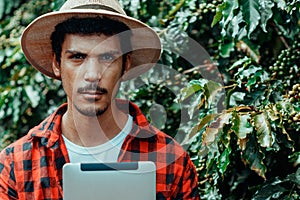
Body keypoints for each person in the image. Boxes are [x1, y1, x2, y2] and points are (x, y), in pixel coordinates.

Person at [0, 0, 200, 199]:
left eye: (107, 58)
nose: (93, 75)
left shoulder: (173, 160)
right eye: (77, 57)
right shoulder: (16, 163)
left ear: (126, 64)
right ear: (57, 63)